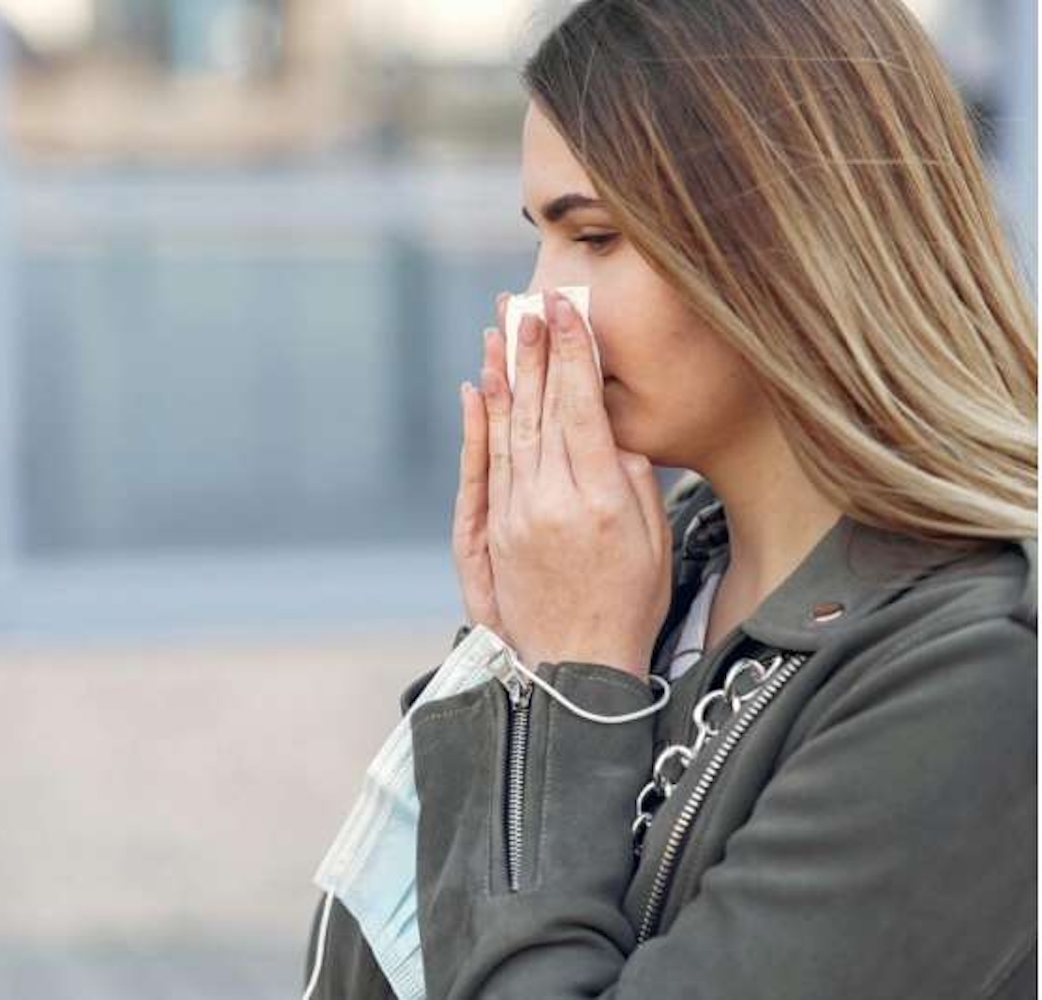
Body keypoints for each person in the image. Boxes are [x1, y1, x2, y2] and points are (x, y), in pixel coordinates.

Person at [302, 0, 1037, 997]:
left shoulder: (986, 675)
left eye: (595, 238)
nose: (535, 306)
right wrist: (511, 657)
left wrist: (568, 682)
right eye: (541, 240)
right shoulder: (642, 579)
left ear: (790, 243)